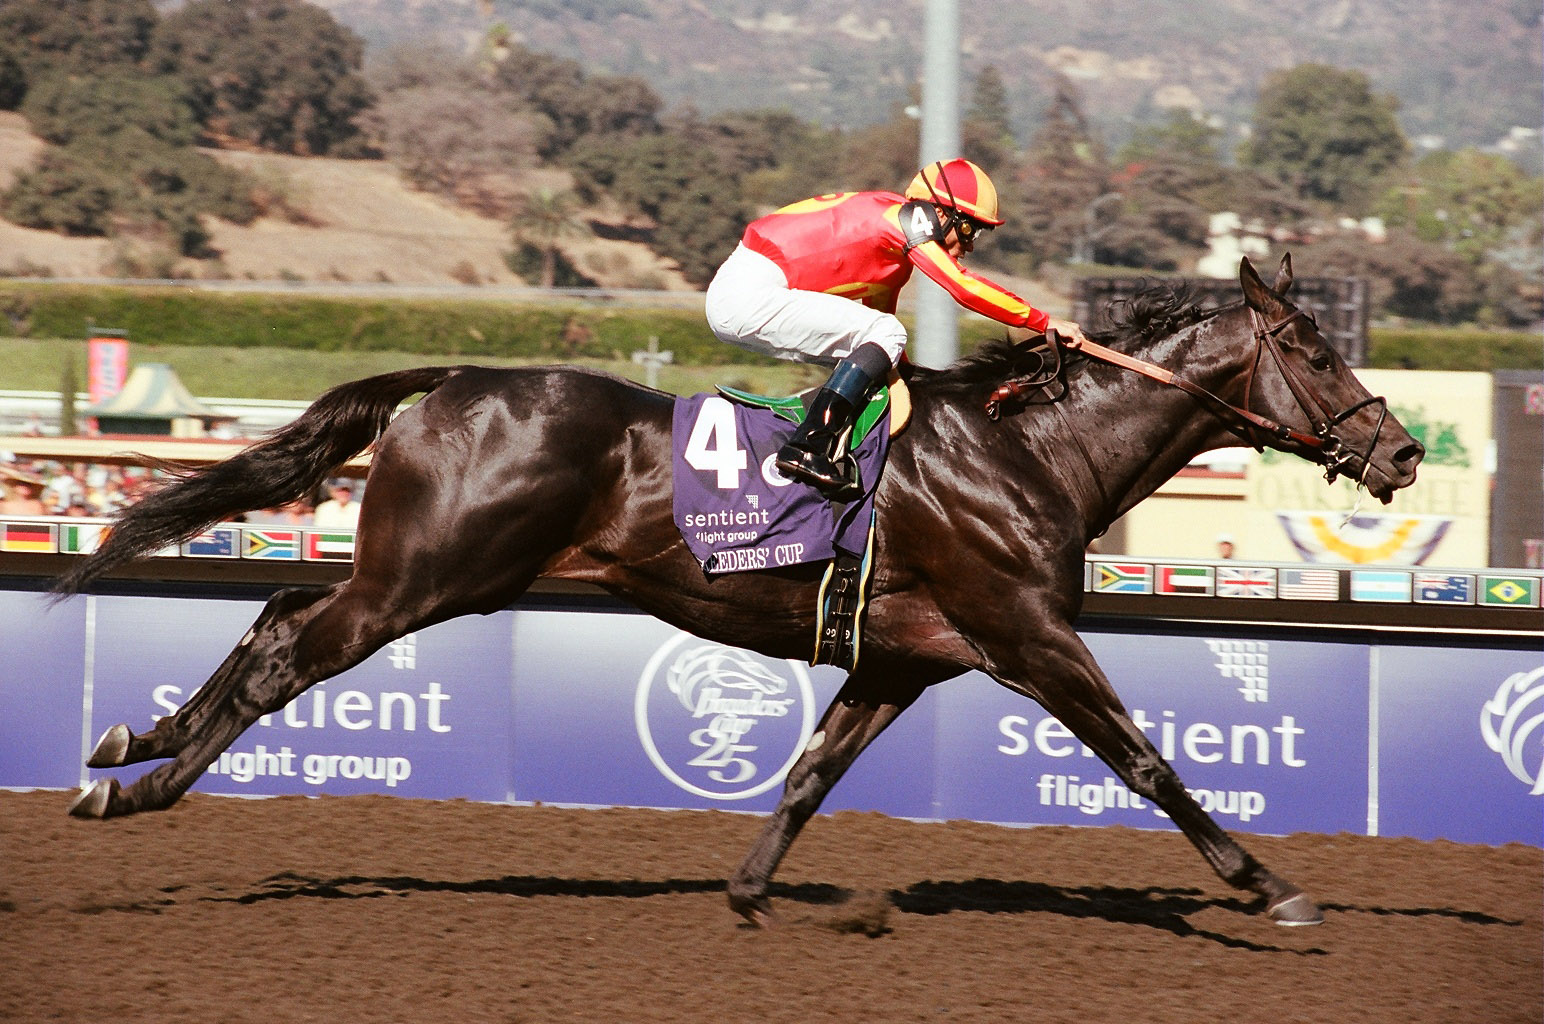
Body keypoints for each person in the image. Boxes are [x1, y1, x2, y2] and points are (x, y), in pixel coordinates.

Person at [705, 157, 1090, 499]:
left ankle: (837, 449)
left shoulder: (896, 249)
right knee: (887, 334)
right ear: (942, 214)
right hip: (748, 292)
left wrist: (909, 378)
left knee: (881, 344)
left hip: (746, 293)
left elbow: (877, 320)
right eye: (970, 230)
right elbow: (962, 286)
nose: (970, 245)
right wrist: (1041, 320)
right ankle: (807, 447)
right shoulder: (907, 219)